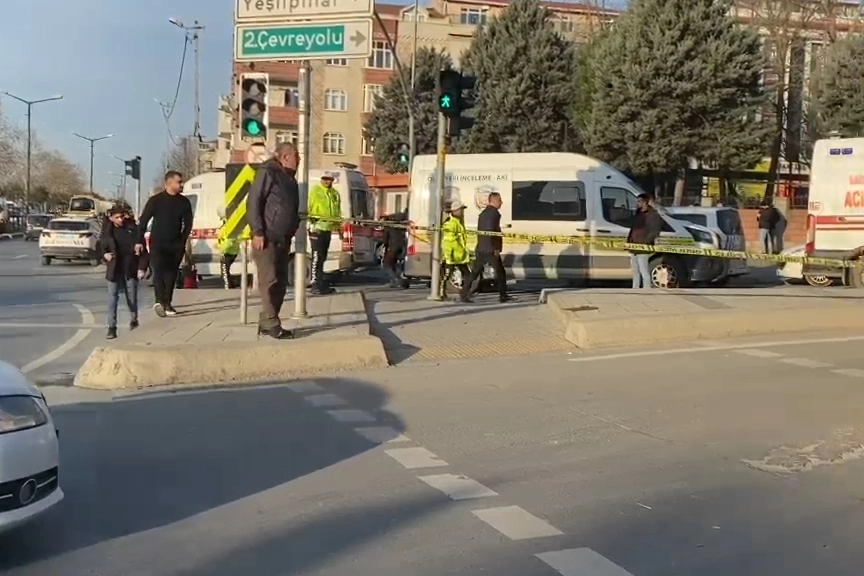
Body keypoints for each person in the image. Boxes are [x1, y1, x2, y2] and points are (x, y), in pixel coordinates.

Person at [247, 142, 300, 339]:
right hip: (267, 237)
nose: (299, 160)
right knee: (269, 280)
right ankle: (271, 323)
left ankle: (267, 319)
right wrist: (257, 231)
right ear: (286, 157)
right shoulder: (268, 172)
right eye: (296, 156)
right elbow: (254, 201)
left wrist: (294, 225)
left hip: (283, 238)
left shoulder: (290, 179)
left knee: (281, 282)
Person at [138, 170, 193, 317]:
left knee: (171, 275)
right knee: (158, 271)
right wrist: (139, 241)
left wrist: (182, 240)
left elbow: (188, 224)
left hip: (175, 245)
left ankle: (167, 303)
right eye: (179, 182)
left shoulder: (184, 202)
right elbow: (143, 221)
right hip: (158, 243)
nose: (182, 184)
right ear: (169, 183)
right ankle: (159, 301)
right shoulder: (156, 201)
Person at [102, 205, 149, 340]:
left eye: (122, 216)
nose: (120, 219)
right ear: (111, 218)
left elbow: (143, 252)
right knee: (112, 299)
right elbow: (101, 247)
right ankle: (112, 328)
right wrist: (105, 255)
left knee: (131, 297)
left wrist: (141, 268)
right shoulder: (107, 231)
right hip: (114, 269)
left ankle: (134, 319)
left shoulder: (132, 230)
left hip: (130, 268)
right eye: (117, 217)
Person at [461, 192, 510, 303]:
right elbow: (491, 231)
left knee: (475, 272)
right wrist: (495, 248)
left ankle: (464, 294)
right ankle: (503, 295)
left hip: (481, 248)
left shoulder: (483, 213)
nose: (501, 202)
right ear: (494, 201)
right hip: (490, 250)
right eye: (499, 200)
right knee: (500, 272)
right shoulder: (494, 214)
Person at [307, 174, 342, 295]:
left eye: (330, 179)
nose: (327, 181)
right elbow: (308, 208)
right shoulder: (315, 191)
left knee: (323, 257)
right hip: (317, 227)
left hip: (327, 228)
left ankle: (320, 282)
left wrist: (338, 228)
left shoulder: (334, 193)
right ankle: (315, 283)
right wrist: (311, 223)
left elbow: (337, 211)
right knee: (316, 256)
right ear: (321, 179)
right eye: (325, 179)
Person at [627, 193, 662, 289]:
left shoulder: (653, 215)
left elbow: (655, 231)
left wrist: (646, 242)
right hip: (633, 246)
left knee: (644, 270)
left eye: (639, 201)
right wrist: (629, 241)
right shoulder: (638, 214)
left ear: (645, 202)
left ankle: (647, 289)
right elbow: (633, 228)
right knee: (635, 271)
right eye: (637, 201)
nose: (637, 203)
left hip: (643, 247)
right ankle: (635, 289)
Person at [439, 200, 471, 300]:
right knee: (447, 275)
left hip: (460, 255)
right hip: (452, 256)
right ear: (455, 210)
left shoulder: (459, 222)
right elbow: (448, 241)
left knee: (468, 276)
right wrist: (448, 255)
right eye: (461, 210)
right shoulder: (450, 223)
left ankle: (464, 295)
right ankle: (441, 294)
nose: (463, 212)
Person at [382, 211, 409, 289]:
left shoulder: (389, 225)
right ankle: (398, 280)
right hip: (402, 246)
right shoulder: (401, 224)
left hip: (393, 247)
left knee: (386, 264)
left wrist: (385, 246)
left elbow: (385, 239)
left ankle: (395, 279)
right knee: (397, 263)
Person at [217, 218, 239, 289]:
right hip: (230, 251)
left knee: (224, 271)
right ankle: (231, 285)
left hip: (228, 252)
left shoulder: (230, 228)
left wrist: (222, 250)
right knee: (226, 270)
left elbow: (229, 241)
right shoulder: (227, 227)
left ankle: (228, 286)